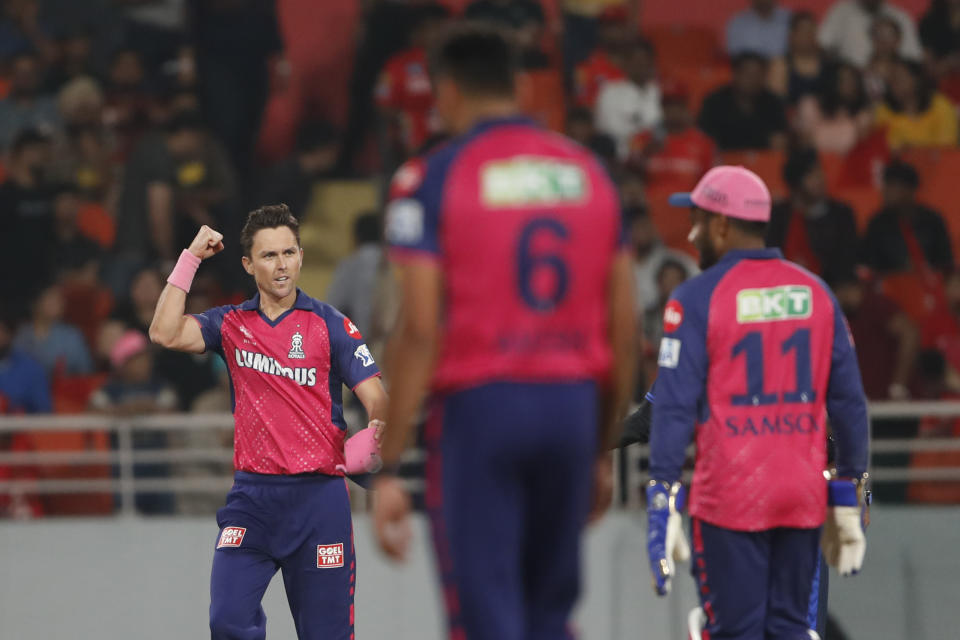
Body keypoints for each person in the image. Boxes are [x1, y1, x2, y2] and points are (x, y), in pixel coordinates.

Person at [372, 26, 636, 640]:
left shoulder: (429, 179)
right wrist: (600, 447)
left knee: (484, 618)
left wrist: (385, 464)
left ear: (445, 93)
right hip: (571, 407)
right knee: (549, 615)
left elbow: (418, 329)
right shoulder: (589, 174)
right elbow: (624, 329)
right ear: (520, 88)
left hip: (481, 410)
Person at [643, 165, 870, 638]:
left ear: (722, 226)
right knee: (790, 628)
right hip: (801, 497)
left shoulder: (696, 298)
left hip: (732, 497)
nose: (691, 233)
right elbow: (849, 402)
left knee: (734, 631)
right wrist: (852, 488)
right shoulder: (816, 293)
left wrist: (662, 495)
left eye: (699, 221)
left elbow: (674, 407)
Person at [148, 204, 388, 639]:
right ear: (248, 264)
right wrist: (190, 258)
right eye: (269, 255)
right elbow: (164, 333)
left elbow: (376, 396)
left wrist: (377, 431)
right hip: (253, 500)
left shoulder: (330, 324)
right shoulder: (231, 324)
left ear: (300, 256)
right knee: (227, 620)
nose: (282, 266)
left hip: (319, 502)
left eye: (289, 253)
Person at [767, 148, 860, 277]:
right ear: (796, 182)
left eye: (820, 171)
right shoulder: (780, 215)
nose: (820, 178)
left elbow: (846, 262)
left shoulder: (842, 214)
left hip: (829, 288)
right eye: (811, 174)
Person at [860, 160, 954, 276]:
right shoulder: (877, 224)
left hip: (929, 285)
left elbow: (946, 263)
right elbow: (869, 265)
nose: (884, 192)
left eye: (891, 186)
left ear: (908, 190)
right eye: (885, 186)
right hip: (890, 288)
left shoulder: (933, 221)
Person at [697, 52, 789, 151]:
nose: (753, 80)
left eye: (758, 75)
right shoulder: (714, 102)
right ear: (736, 74)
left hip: (762, 160)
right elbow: (703, 138)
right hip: (723, 160)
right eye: (748, 74)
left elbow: (779, 138)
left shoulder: (773, 103)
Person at [594, 38, 662, 160]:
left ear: (652, 63)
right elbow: (608, 130)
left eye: (645, 61)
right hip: (619, 158)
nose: (641, 66)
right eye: (636, 61)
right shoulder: (610, 93)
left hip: (657, 160)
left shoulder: (661, 93)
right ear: (625, 64)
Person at [874, 58, 959, 149]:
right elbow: (889, 148)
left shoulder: (940, 105)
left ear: (917, 80)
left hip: (941, 161)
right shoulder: (883, 111)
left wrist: (913, 150)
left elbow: (947, 147)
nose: (894, 83)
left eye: (899, 78)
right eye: (891, 79)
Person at [818, 0, 923, 68]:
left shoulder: (900, 17)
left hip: (893, 86)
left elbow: (914, 59)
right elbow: (822, 46)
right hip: (853, 86)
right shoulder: (841, 12)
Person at [326, 212, 383, 337]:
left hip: (359, 345)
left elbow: (333, 308)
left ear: (356, 237)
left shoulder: (349, 265)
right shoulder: (395, 266)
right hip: (394, 345)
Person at [767, 11, 826, 105]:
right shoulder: (780, 64)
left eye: (810, 31)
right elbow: (775, 102)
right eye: (802, 31)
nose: (807, 36)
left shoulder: (828, 63)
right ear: (791, 35)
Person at [726, 0, 792, 59]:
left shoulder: (789, 20)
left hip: (785, 69)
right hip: (750, 70)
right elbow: (735, 56)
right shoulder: (738, 23)